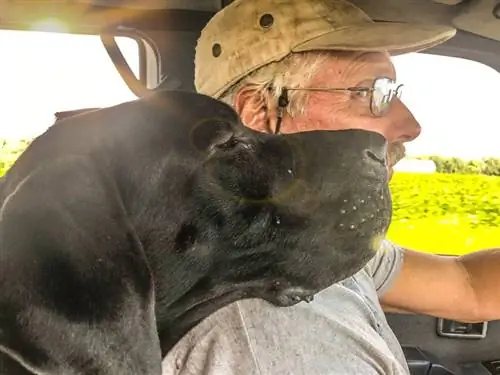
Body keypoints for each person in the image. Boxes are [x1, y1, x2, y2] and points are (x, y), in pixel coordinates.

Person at [162, 0, 500, 373]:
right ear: (261, 114)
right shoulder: (273, 328)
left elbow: (467, 285)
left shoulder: (302, 235)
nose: (410, 125)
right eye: (371, 93)